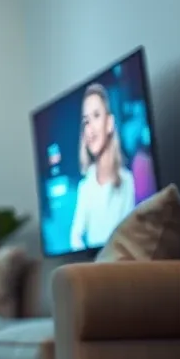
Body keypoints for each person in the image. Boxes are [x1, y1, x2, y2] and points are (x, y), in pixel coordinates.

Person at [69, 82, 136, 251]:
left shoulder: (127, 181)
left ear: (109, 123)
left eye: (96, 116)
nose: (90, 129)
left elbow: (131, 238)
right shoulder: (84, 187)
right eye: (86, 122)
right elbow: (75, 236)